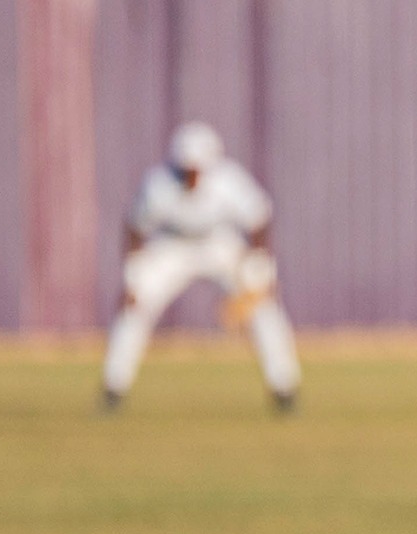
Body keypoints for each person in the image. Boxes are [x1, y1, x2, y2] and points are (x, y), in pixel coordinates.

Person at [100, 121, 301, 412]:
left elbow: (259, 220)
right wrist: (133, 279)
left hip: (218, 242)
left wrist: (260, 272)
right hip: (172, 245)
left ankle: (284, 386)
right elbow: (135, 228)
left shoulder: (228, 180)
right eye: (187, 168)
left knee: (264, 305)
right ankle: (114, 387)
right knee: (134, 306)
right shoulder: (159, 185)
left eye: (197, 168)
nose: (192, 175)